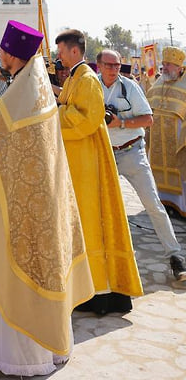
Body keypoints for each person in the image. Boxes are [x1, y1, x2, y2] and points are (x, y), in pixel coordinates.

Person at [0, 21, 94, 376]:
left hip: (21, 205)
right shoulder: (34, 84)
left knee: (9, 264)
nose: (0, 56)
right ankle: (47, 350)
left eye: (4, 52)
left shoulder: (21, 93)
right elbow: (3, 134)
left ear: (11, 53)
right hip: (41, 201)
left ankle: (20, 359)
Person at [56, 30, 143, 314]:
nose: (58, 57)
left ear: (73, 51)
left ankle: (100, 294)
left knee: (93, 225)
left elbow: (87, 119)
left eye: (60, 51)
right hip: (79, 163)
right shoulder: (74, 78)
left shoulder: (87, 80)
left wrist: (53, 113)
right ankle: (87, 288)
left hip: (89, 165)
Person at [97, 49, 186, 279]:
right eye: (109, 65)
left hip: (131, 152)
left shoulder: (130, 87)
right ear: (99, 66)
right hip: (104, 153)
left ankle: (175, 256)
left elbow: (148, 119)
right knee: (100, 207)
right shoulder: (91, 87)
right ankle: (101, 259)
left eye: (117, 65)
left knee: (153, 204)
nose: (114, 69)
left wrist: (121, 123)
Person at [147, 46, 186, 217]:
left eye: (169, 64)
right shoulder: (159, 83)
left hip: (179, 137)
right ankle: (164, 203)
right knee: (158, 168)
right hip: (158, 137)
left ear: (179, 67)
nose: (165, 68)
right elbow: (148, 104)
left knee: (179, 167)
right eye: (163, 64)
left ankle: (181, 206)